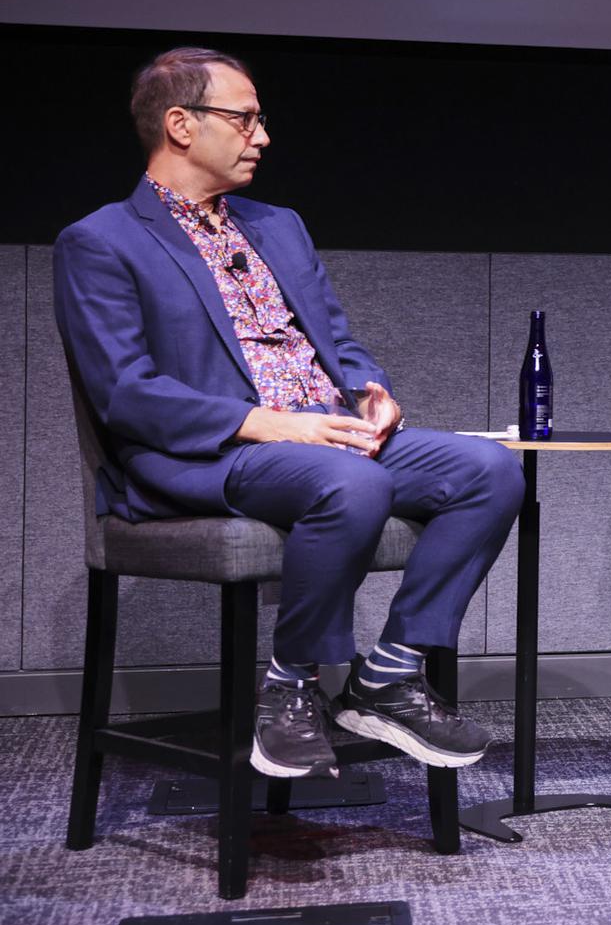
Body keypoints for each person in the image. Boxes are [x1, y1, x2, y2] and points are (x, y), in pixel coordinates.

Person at [54, 47, 523, 779]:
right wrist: (271, 423)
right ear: (180, 124)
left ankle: (389, 674)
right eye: (244, 119)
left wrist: (370, 387)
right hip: (216, 450)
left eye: (260, 120)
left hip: (324, 432)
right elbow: (125, 392)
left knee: (489, 469)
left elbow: (334, 337)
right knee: (353, 484)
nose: (262, 135)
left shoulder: (278, 226)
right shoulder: (102, 242)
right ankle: (291, 688)